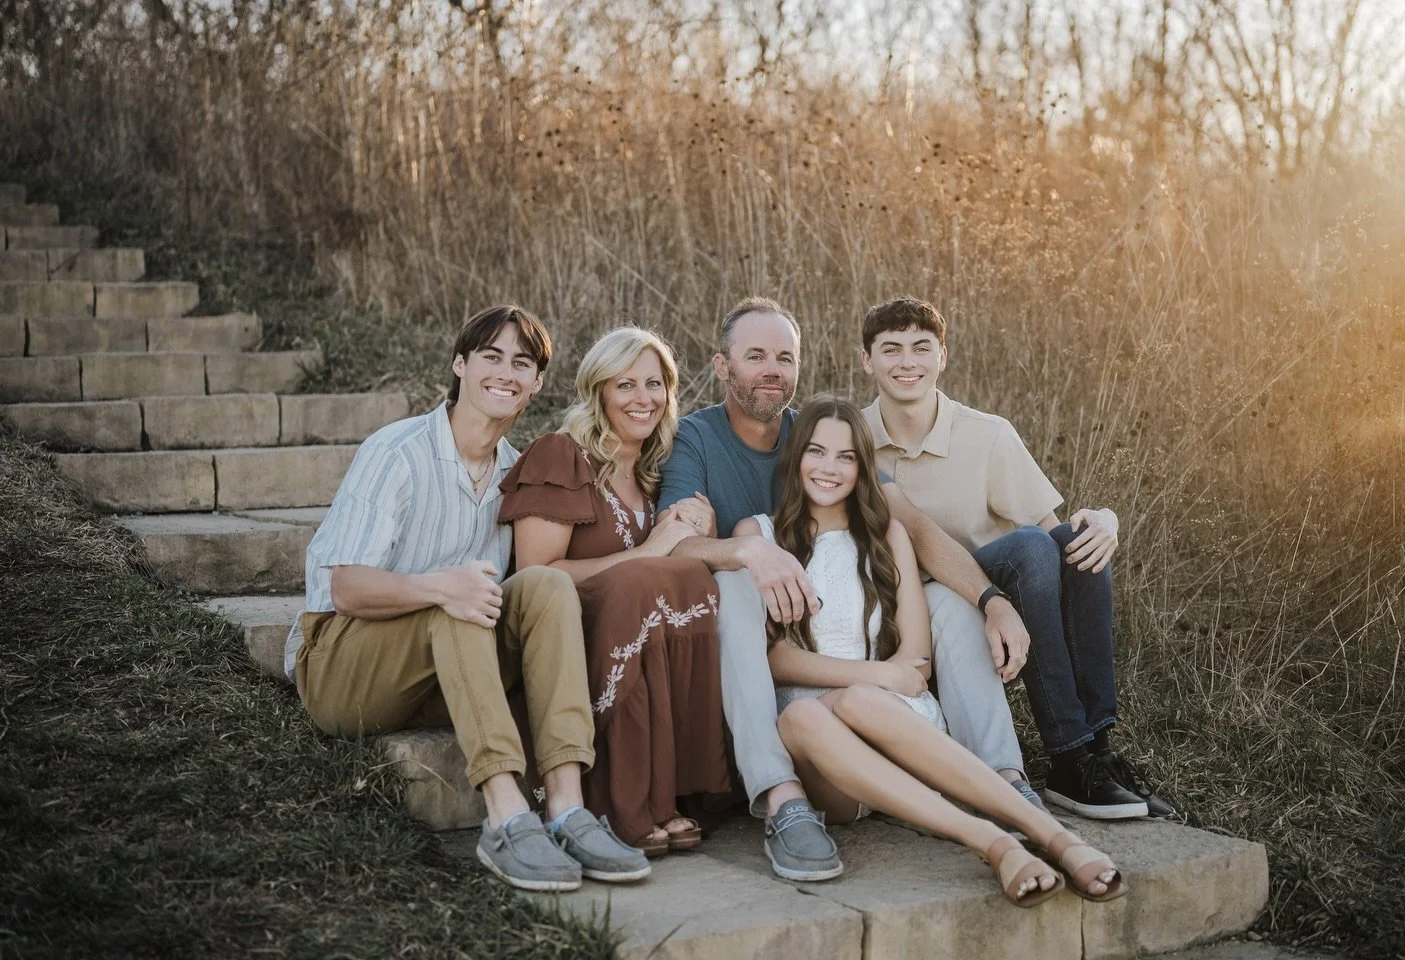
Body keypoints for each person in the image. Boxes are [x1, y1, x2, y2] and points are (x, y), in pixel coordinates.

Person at [656, 297, 1039, 882]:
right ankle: (780, 796)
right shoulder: (697, 439)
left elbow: (913, 527)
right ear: (721, 365)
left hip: (845, 641)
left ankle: (1003, 781)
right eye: (754, 355)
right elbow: (673, 546)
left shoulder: (813, 434)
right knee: (733, 588)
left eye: (784, 357)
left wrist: (991, 600)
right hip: (754, 637)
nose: (771, 369)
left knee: (946, 603)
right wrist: (749, 552)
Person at [284, 305, 651, 892]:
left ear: (534, 385)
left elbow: (519, 593)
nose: (505, 372)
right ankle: (505, 814)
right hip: (343, 668)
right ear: (460, 365)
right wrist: (439, 587)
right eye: (491, 356)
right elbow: (345, 587)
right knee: (461, 597)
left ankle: (565, 807)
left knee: (546, 584)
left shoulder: (516, 472)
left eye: (522, 363)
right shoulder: (396, 452)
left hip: (443, 674)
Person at [735, 396, 1128, 906]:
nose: (829, 468)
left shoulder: (888, 537)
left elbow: (917, 659)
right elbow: (777, 659)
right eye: (816, 452)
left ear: (863, 467)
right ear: (795, 459)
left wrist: (882, 682)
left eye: (846, 456)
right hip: (826, 760)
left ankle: (1057, 839)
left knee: (858, 702)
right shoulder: (759, 536)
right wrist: (877, 675)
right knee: (804, 717)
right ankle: (994, 842)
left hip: (896, 727)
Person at [859, 295, 1174, 818]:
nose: (906, 362)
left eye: (921, 347)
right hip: (919, 607)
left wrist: (1100, 525)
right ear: (866, 360)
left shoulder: (987, 434)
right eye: (890, 350)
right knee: (1029, 545)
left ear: (944, 356)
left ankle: (1095, 750)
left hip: (992, 591)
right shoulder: (853, 441)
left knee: (1074, 544)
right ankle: (1071, 755)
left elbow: (1057, 541)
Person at [499, 327, 731, 856]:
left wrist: (700, 530)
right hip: (568, 640)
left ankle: (665, 791)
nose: (643, 399)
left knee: (688, 577)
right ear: (599, 390)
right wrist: (649, 552)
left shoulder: (656, 474)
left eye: (655, 385)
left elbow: (673, 572)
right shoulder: (561, 456)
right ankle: (619, 797)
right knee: (639, 580)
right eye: (626, 385)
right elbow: (537, 575)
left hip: (638, 631)